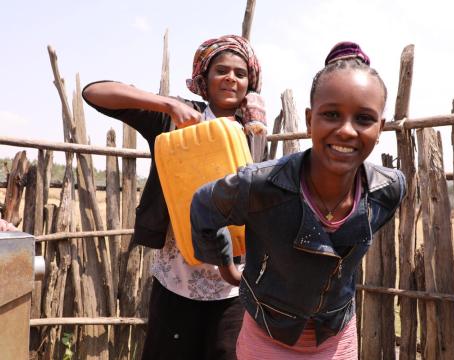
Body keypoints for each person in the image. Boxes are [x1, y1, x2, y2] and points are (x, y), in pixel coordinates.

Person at [191, 41, 406, 359]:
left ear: (380, 128)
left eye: (364, 119)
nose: (346, 130)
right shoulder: (261, 184)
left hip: (336, 335)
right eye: (331, 115)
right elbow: (203, 206)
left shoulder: (386, 190)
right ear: (309, 120)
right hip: (266, 334)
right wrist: (226, 267)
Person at [82, 35, 266, 360]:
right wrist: (167, 104)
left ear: (250, 83)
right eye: (221, 70)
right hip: (177, 280)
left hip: (235, 285)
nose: (230, 78)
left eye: (240, 73)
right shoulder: (174, 120)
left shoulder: (254, 129)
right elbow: (94, 92)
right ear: (203, 80)